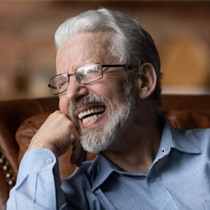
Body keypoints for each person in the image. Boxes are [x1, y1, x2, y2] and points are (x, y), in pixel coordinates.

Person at [7, 8, 210, 210]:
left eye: (88, 72)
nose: (71, 93)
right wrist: (41, 146)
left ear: (143, 81)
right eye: (62, 83)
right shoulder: (74, 199)